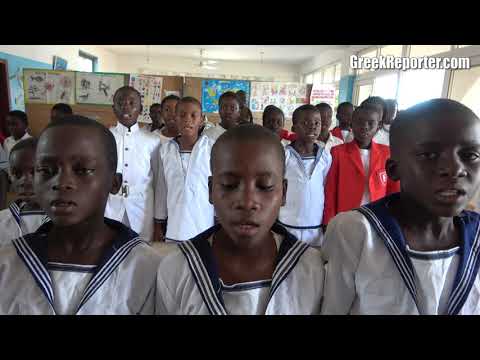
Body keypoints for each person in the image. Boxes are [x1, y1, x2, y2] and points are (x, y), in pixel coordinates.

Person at [321, 99, 480, 315]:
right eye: (429, 155)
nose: (454, 169)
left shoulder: (476, 236)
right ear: (394, 169)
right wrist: (327, 219)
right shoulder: (356, 233)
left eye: (470, 155)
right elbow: (334, 308)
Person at [155, 124, 324, 314]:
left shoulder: (311, 268)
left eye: (265, 186)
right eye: (229, 185)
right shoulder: (177, 269)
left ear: (283, 193)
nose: (247, 202)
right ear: (210, 190)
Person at [0, 116, 162, 314]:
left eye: (82, 170)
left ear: (114, 183)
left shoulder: (145, 268)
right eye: (45, 170)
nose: (61, 182)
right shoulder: (8, 263)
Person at [323, 103, 400, 225]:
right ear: (352, 124)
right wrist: (328, 221)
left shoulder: (387, 153)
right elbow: (331, 189)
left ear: (378, 126)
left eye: (371, 123)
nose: (365, 127)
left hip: (377, 217)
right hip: (346, 217)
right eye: (359, 122)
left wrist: (394, 218)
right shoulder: (338, 152)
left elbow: (393, 190)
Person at [153, 97, 215, 242]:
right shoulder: (165, 150)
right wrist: (158, 222)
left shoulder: (211, 149)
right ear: (175, 118)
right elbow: (162, 189)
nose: (188, 120)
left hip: (204, 228)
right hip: (175, 229)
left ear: (201, 120)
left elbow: (217, 189)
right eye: (182, 115)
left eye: (194, 115)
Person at [104, 86, 161, 241]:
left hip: (142, 208)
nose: (126, 107)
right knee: (111, 250)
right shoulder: (105, 137)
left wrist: (158, 220)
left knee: (141, 253)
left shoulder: (152, 141)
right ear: (113, 108)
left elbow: (158, 183)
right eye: (120, 102)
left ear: (141, 109)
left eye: (131, 102)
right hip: (111, 207)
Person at [278, 105, 332, 247]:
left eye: (316, 123)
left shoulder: (325, 157)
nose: (312, 127)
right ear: (294, 128)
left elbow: (325, 186)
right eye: (306, 123)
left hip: (315, 227)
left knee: (313, 264)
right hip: (288, 224)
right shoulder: (284, 155)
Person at [0, 138, 48, 245]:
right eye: (17, 174)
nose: (24, 181)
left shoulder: (67, 221)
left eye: (35, 172)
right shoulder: (2, 219)